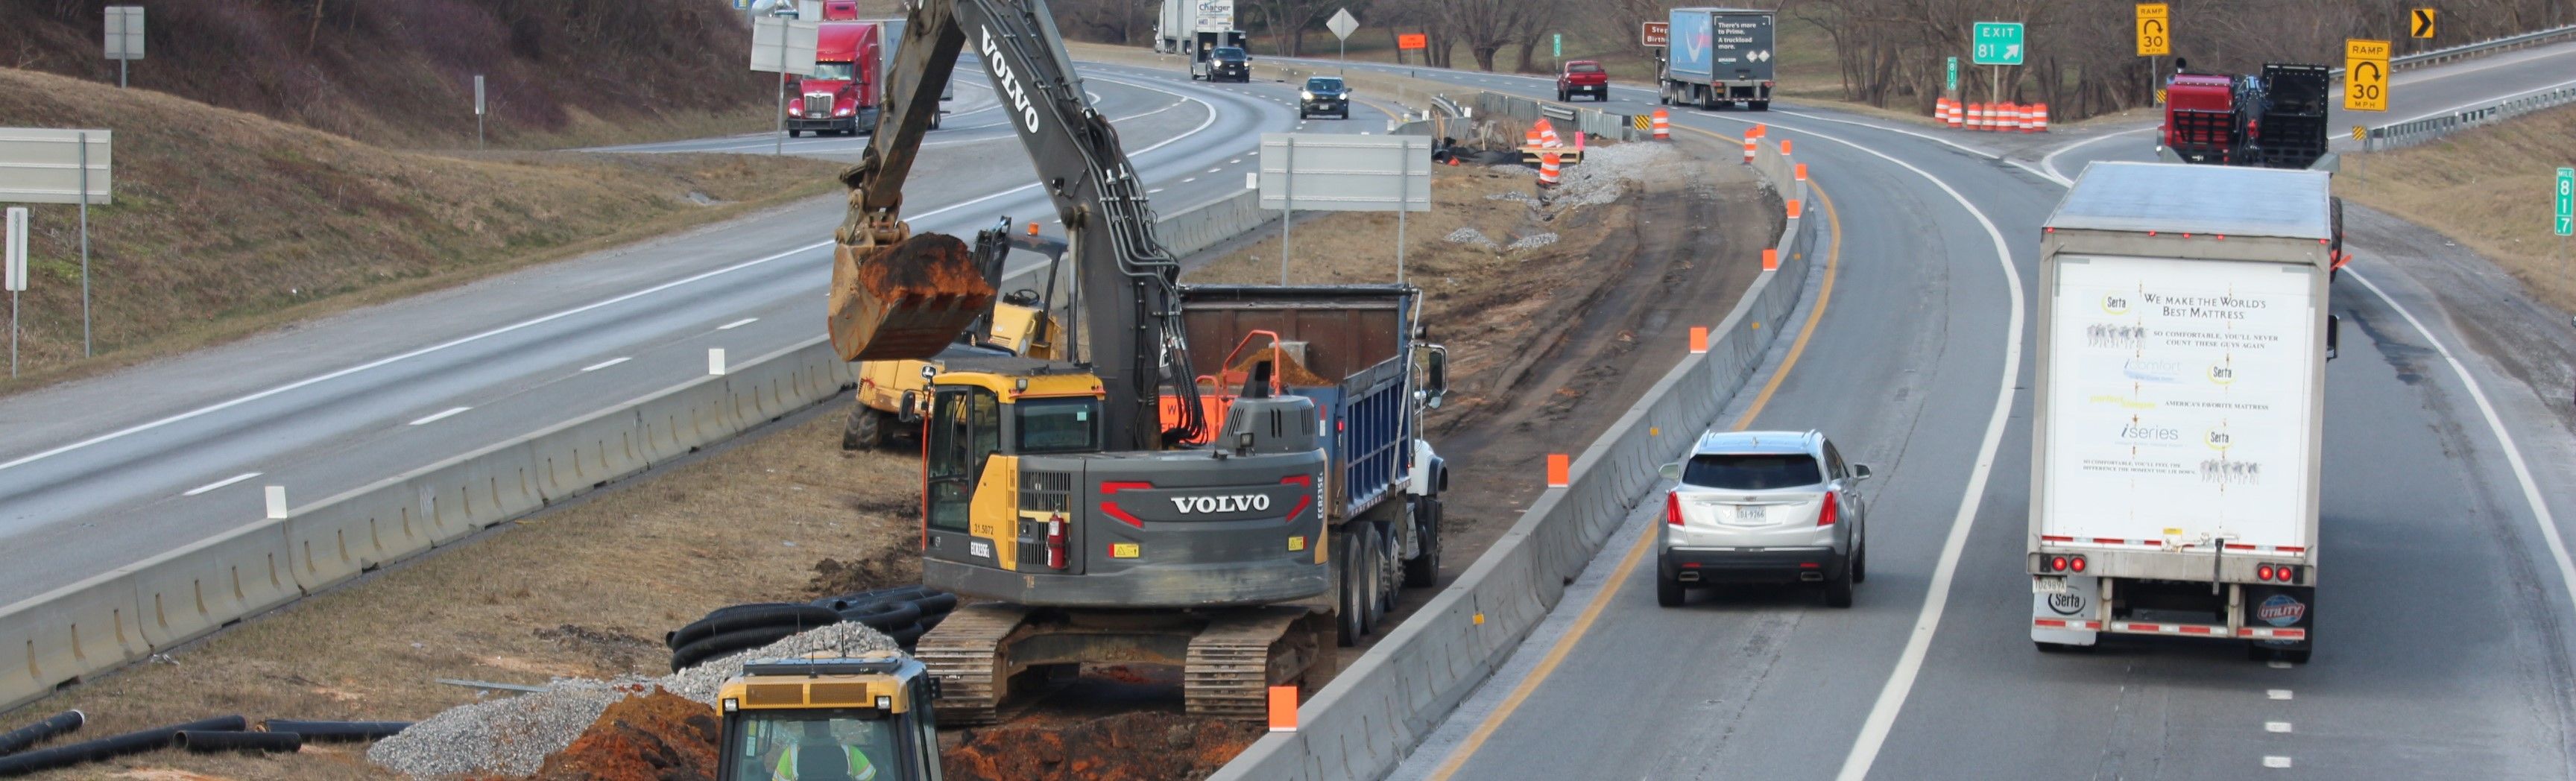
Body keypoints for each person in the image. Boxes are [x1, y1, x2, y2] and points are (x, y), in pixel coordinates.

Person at [770, 721, 879, 781]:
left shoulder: (790, 754)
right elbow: (870, 779)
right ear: (828, 727)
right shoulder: (850, 752)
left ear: (805, 727)